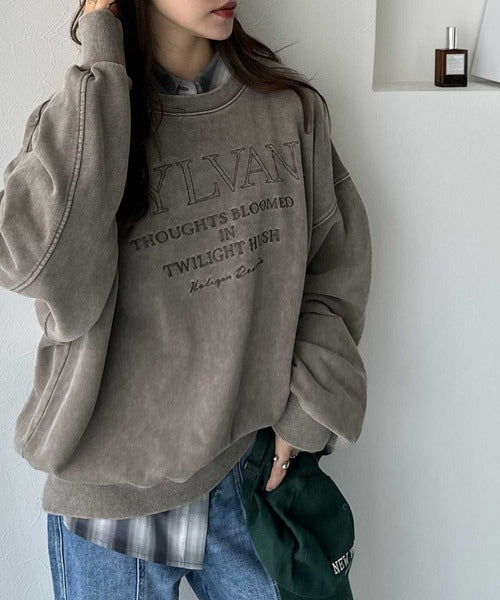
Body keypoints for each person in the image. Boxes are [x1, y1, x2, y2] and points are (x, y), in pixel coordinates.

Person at [0, 0, 372, 598]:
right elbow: (38, 265)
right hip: (109, 510)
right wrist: (101, 46)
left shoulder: (288, 110)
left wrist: (306, 416)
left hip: (249, 481)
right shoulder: (82, 121)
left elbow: (334, 272)